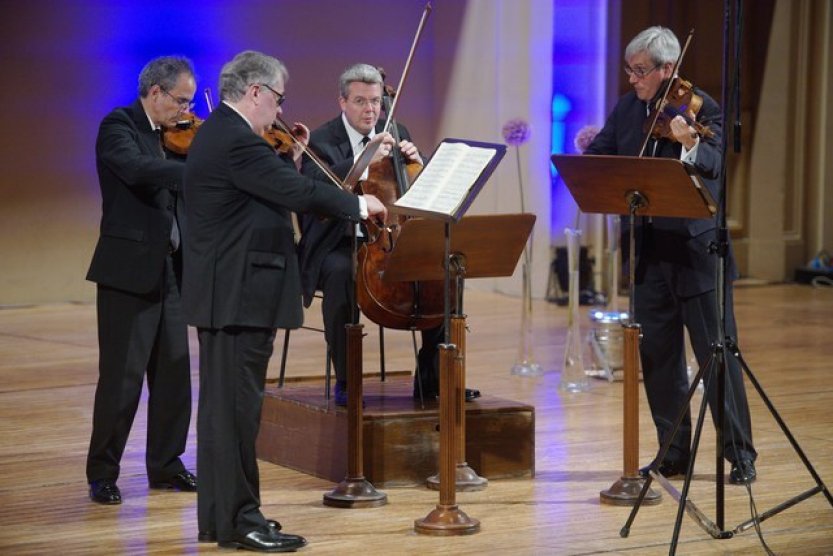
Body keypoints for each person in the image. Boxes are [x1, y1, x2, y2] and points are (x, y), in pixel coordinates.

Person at [182, 51, 387, 552]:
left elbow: (269, 187)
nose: (279, 109)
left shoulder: (225, 135)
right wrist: (359, 204)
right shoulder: (237, 140)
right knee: (236, 413)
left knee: (224, 413)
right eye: (277, 98)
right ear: (255, 91)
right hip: (240, 295)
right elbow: (297, 193)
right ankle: (240, 521)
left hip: (229, 294)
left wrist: (291, 156)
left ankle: (222, 518)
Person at [584, 26, 757, 484]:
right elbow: (602, 156)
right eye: (629, 70)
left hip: (696, 254)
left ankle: (740, 454)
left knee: (716, 356)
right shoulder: (627, 109)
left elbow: (715, 165)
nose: (632, 79)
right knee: (659, 361)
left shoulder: (704, 108)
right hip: (648, 255)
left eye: (640, 71)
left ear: (667, 68)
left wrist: (690, 143)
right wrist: (587, 158)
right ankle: (674, 451)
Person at [298, 63, 480, 406]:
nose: (370, 110)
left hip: (390, 238)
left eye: (375, 101)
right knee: (341, 275)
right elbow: (312, 189)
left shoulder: (395, 129)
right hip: (338, 240)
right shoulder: (321, 141)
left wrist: (418, 161)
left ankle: (431, 378)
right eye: (360, 101)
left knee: (445, 272)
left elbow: (412, 190)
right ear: (342, 102)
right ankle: (347, 380)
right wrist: (362, 161)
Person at [85, 56, 198, 505]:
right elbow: (136, 170)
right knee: (122, 379)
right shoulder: (119, 126)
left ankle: (167, 465)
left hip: (170, 270)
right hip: (128, 272)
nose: (186, 111)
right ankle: (102, 472)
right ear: (155, 92)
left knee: (174, 374)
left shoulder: (174, 136)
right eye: (181, 101)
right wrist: (198, 171)